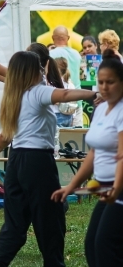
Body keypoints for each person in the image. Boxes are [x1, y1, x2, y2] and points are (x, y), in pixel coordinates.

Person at [0, 52, 95, 267]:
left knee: (14, 226)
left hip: (16, 161)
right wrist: (94, 94)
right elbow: (63, 95)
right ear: (32, 71)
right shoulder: (37, 92)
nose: (43, 71)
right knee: (50, 222)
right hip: (37, 162)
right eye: (39, 68)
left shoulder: (14, 94)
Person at [52, 49, 123, 266]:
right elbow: (93, 153)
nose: (104, 87)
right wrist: (71, 186)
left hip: (118, 188)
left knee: (105, 244)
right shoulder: (101, 110)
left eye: (110, 82)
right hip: (104, 187)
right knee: (92, 244)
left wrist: (116, 189)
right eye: (101, 82)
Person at [49, 26, 82, 92]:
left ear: (52, 38)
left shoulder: (50, 55)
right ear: (68, 38)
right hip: (77, 95)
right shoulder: (77, 54)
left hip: (58, 97)